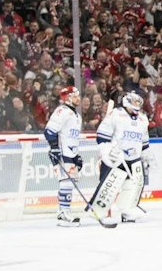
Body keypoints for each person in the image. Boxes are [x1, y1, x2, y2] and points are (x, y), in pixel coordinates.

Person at [94, 88, 151, 227]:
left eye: (138, 100)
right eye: (134, 100)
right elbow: (102, 137)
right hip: (115, 158)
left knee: (133, 186)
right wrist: (106, 153)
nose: (137, 103)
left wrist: (146, 157)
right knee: (110, 186)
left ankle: (126, 210)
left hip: (134, 159)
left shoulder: (143, 119)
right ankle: (102, 212)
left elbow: (144, 143)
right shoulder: (116, 114)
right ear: (126, 101)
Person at [42, 85, 85, 226]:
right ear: (68, 97)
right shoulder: (62, 111)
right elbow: (49, 130)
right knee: (66, 181)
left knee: (70, 183)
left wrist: (76, 155)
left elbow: (71, 137)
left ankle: (63, 212)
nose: (79, 98)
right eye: (75, 95)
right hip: (61, 152)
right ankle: (64, 214)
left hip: (70, 153)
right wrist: (54, 149)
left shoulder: (76, 115)